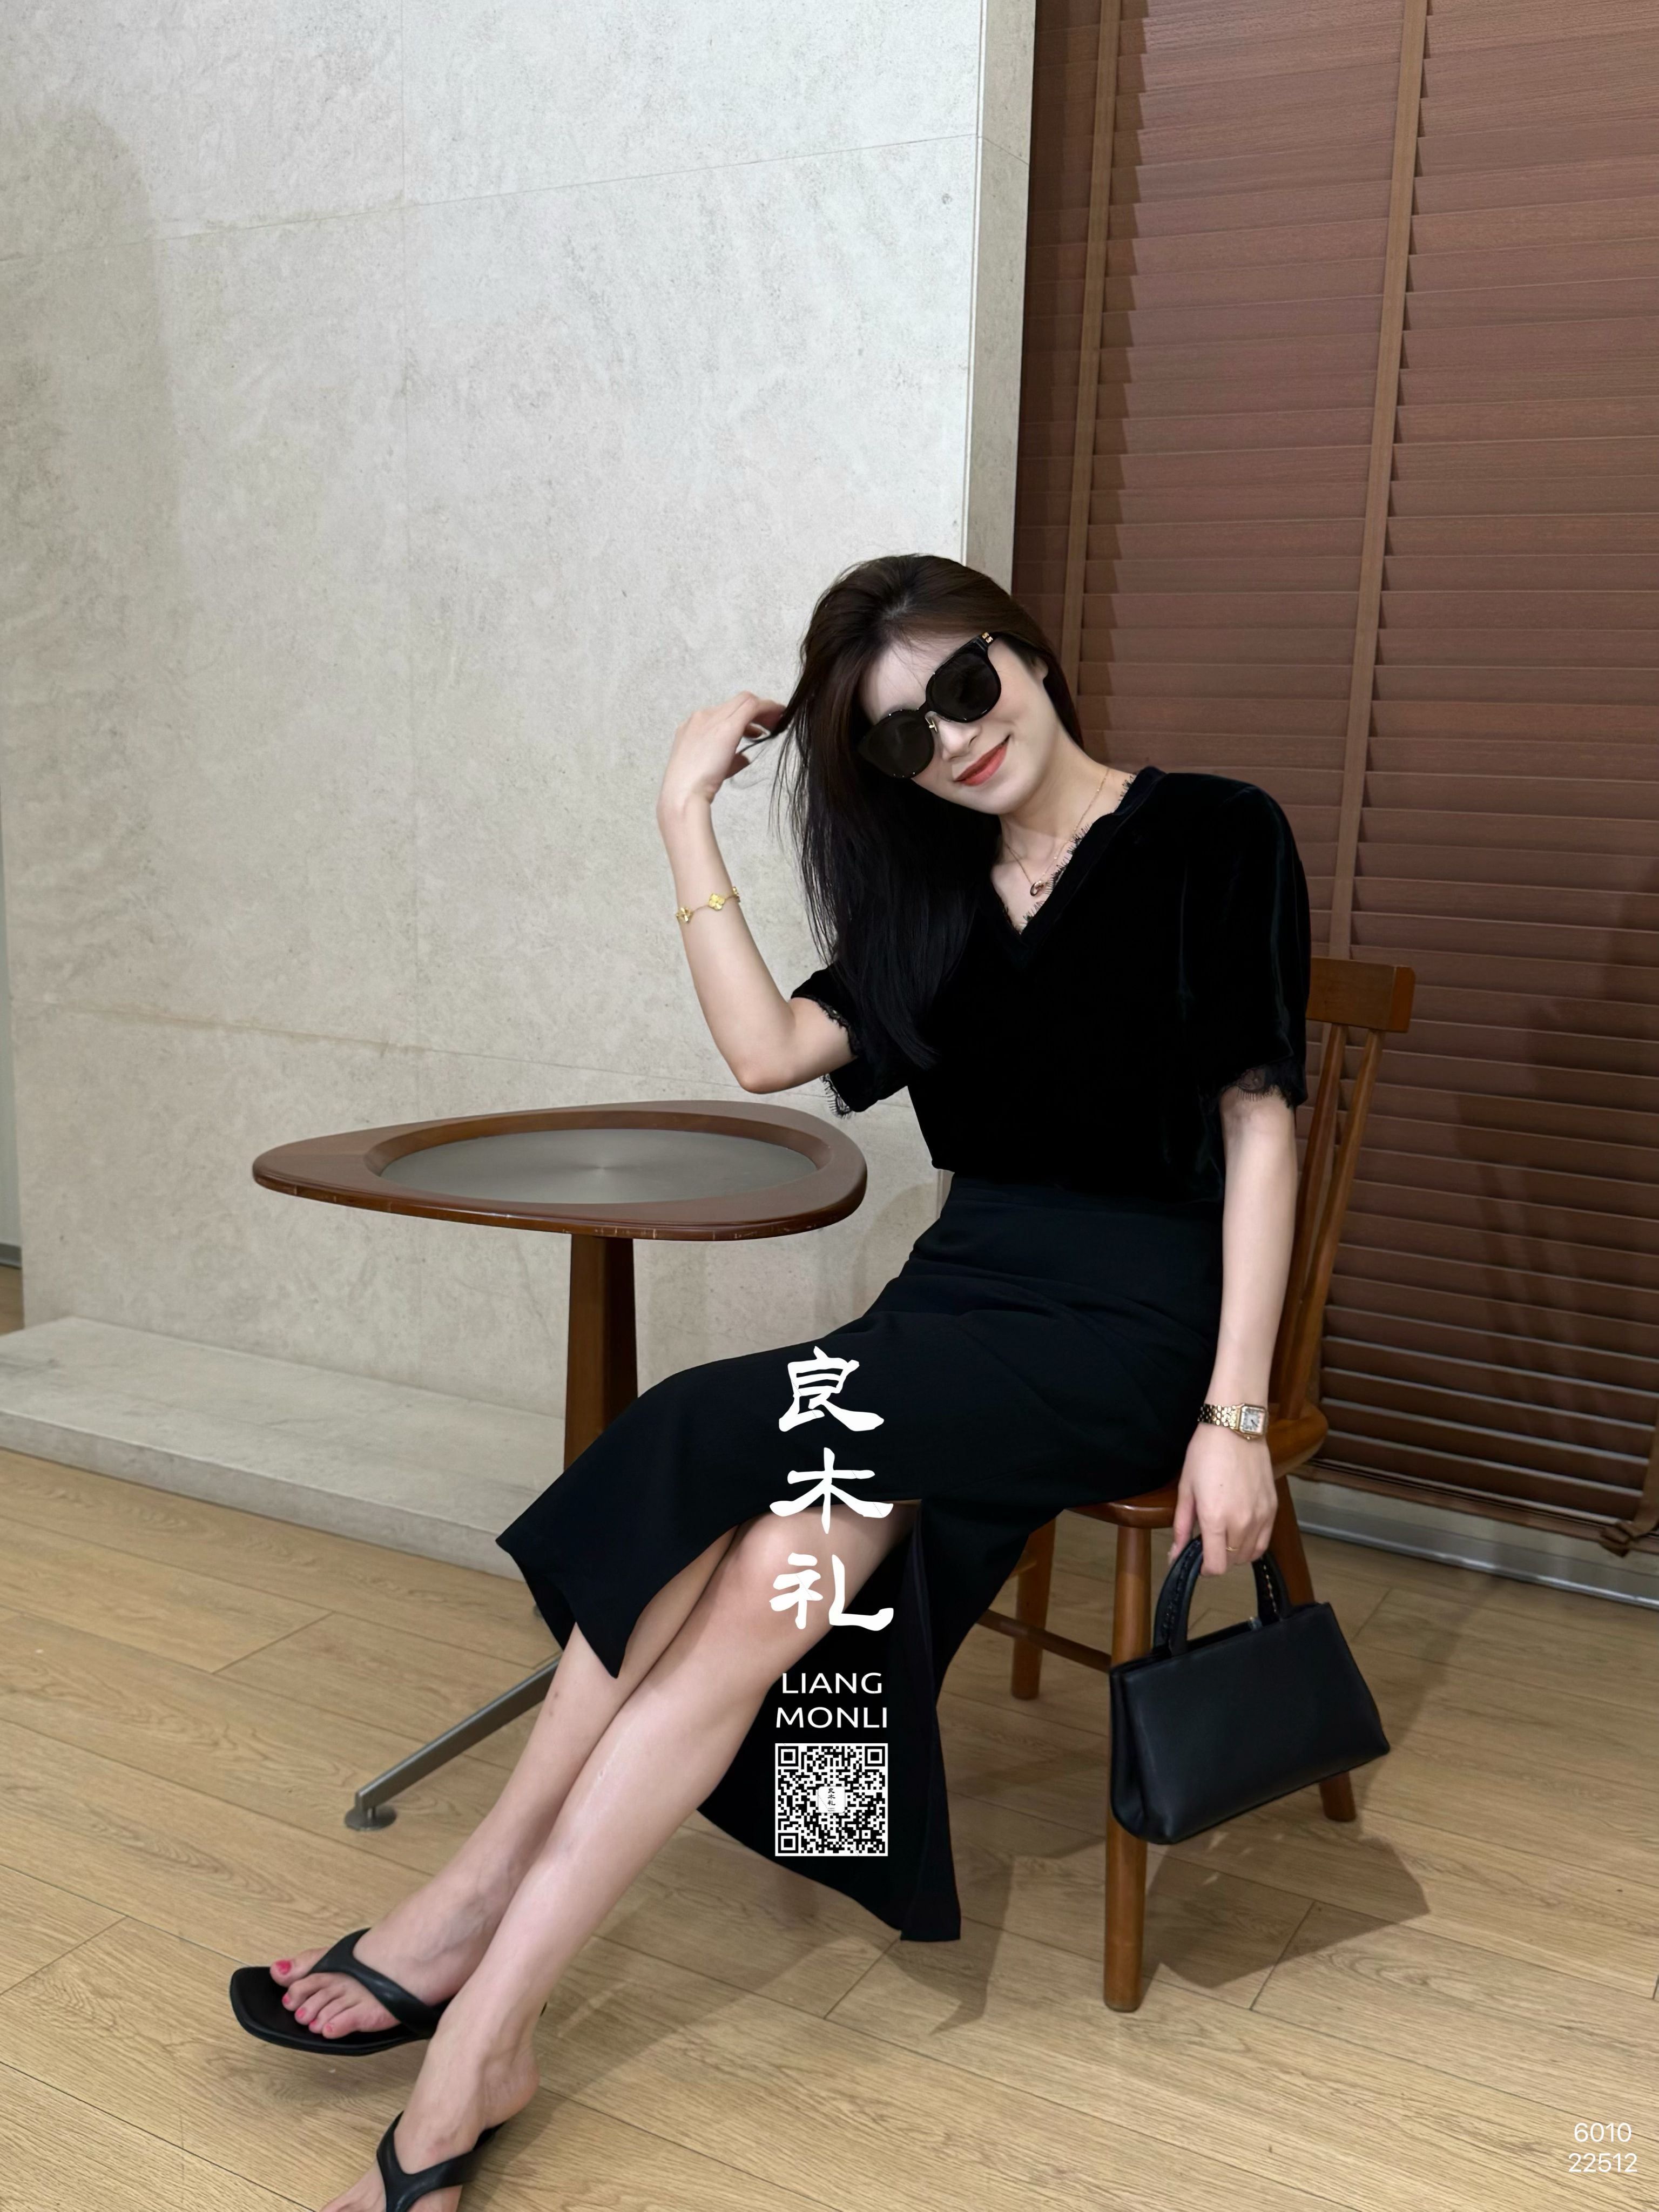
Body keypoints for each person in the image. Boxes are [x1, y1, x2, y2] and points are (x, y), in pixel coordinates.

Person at [230, 552, 1310, 2212]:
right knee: (762, 1586)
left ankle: (467, 1910)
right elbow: (766, 1055)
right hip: (955, 1310)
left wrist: (1234, 1416)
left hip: (1131, 1328)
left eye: (967, 687)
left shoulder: (1214, 833)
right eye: (899, 736)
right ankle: (483, 2028)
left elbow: (1258, 1121)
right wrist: (684, 817)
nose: (953, 739)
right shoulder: (935, 899)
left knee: (699, 1428)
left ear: (1027, 654)